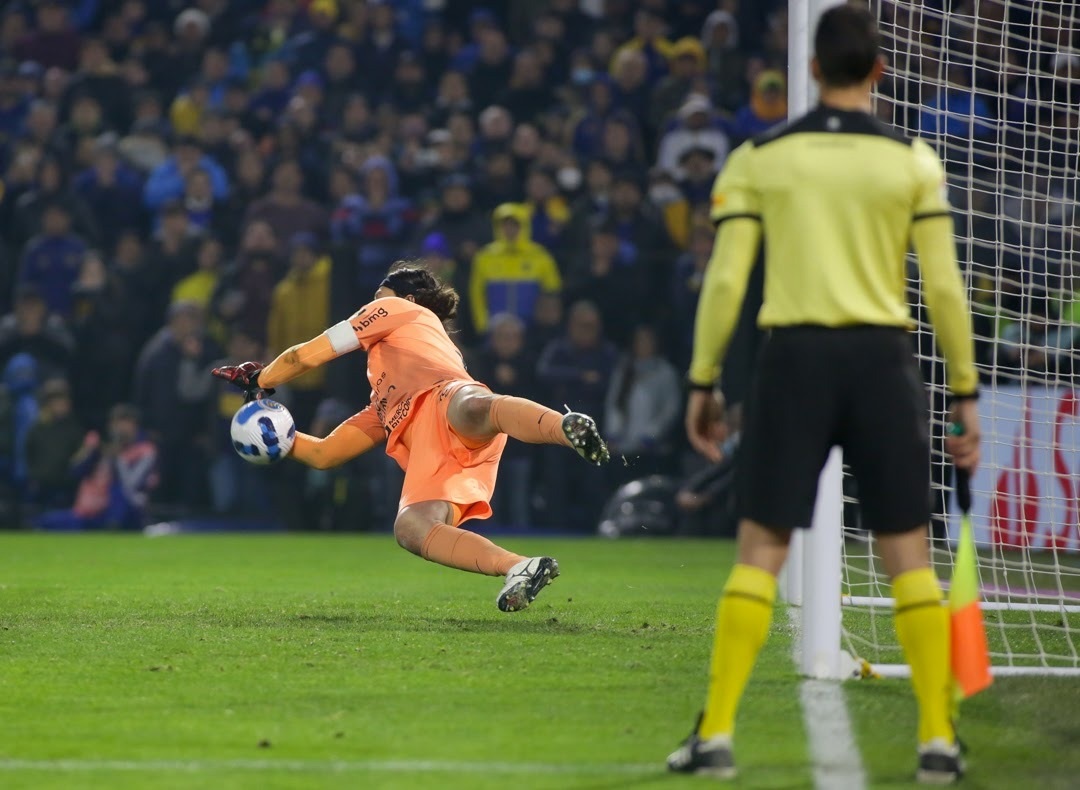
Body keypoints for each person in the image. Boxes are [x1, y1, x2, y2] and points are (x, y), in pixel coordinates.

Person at [667, 7, 980, 784]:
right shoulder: (912, 161)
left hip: (794, 358)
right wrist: (965, 390)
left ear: (812, 69)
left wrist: (703, 379)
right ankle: (938, 740)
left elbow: (729, 279)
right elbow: (942, 284)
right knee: (908, 553)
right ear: (879, 70)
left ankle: (718, 736)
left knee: (761, 552)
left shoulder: (760, 156)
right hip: (881, 360)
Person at [212, 265, 610, 612]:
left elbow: (305, 356)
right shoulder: (383, 402)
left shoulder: (400, 310)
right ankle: (519, 567)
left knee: (472, 402)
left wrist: (260, 378)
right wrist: (275, 438)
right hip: (433, 447)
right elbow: (325, 454)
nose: (369, 306)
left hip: (446, 397)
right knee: (411, 529)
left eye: (377, 297)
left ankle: (566, 428)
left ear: (408, 297)